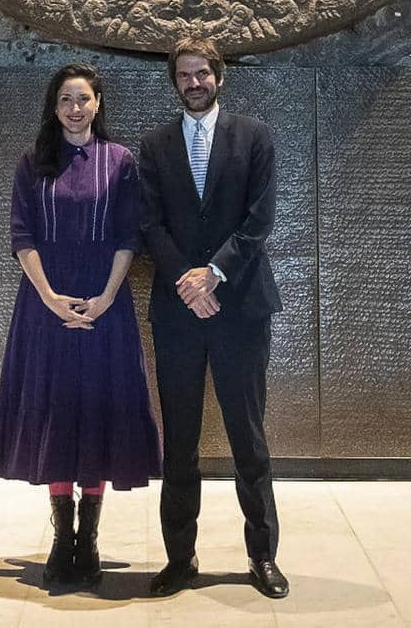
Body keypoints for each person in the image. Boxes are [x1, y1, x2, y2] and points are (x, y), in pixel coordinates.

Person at [0, 63, 162, 590]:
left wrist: (106, 297)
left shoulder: (121, 161)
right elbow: (22, 235)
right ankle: (63, 538)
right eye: (65, 99)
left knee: (97, 412)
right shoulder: (32, 162)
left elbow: (130, 235)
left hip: (105, 308)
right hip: (46, 307)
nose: (75, 107)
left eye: (83, 98)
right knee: (58, 412)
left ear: (98, 103)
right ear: (54, 106)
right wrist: (49, 298)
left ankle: (91, 538)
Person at [138, 36, 289, 600]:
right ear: (174, 82)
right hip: (179, 313)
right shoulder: (152, 146)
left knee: (248, 438)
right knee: (178, 442)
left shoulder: (254, 137)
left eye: (202, 73)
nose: (194, 83)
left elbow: (259, 218)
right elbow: (150, 225)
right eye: (184, 75)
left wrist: (214, 274)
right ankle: (180, 559)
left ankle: (262, 556)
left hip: (239, 309)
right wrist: (188, 279)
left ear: (219, 77)